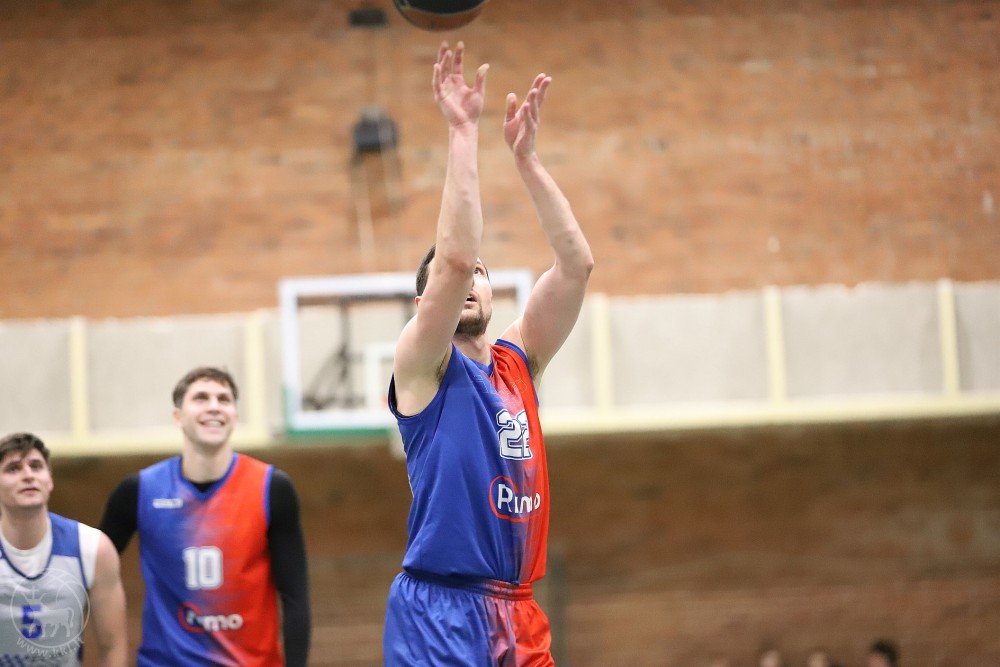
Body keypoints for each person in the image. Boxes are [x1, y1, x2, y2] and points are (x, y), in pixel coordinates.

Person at [382, 41, 594, 666]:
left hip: (519, 610)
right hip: (439, 609)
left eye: (482, 271)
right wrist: (462, 132)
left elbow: (576, 265)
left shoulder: (519, 359)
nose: (469, 278)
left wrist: (527, 161)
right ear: (427, 302)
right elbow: (451, 260)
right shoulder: (423, 365)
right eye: (456, 278)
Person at [99, 366, 311, 666]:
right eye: (201, 398)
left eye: (224, 399)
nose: (214, 406)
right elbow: (88, 573)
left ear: (234, 416)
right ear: (178, 417)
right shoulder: (139, 491)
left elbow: (295, 596)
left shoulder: (271, 488)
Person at [0, 432, 127, 667]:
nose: (28, 475)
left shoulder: (92, 548)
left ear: (49, 480)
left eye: (36, 466)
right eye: (13, 468)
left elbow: (112, 647)